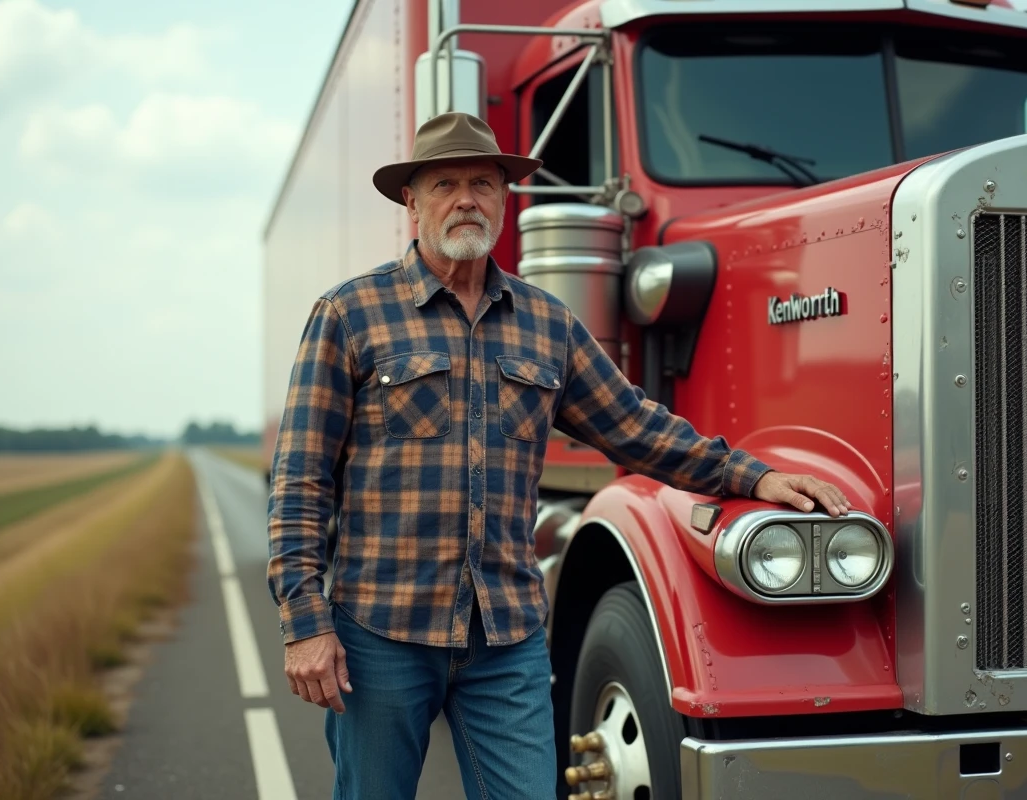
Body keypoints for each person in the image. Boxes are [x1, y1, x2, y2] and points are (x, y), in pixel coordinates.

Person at [266, 111, 852, 799]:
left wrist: (756, 475)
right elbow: (301, 479)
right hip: (381, 632)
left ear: (505, 200)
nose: (466, 199)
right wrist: (306, 624)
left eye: (483, 183)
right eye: (446, 183)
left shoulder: (546, 324)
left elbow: (635, 426)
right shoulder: (350, 314)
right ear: (412, 201)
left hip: (505, 639)